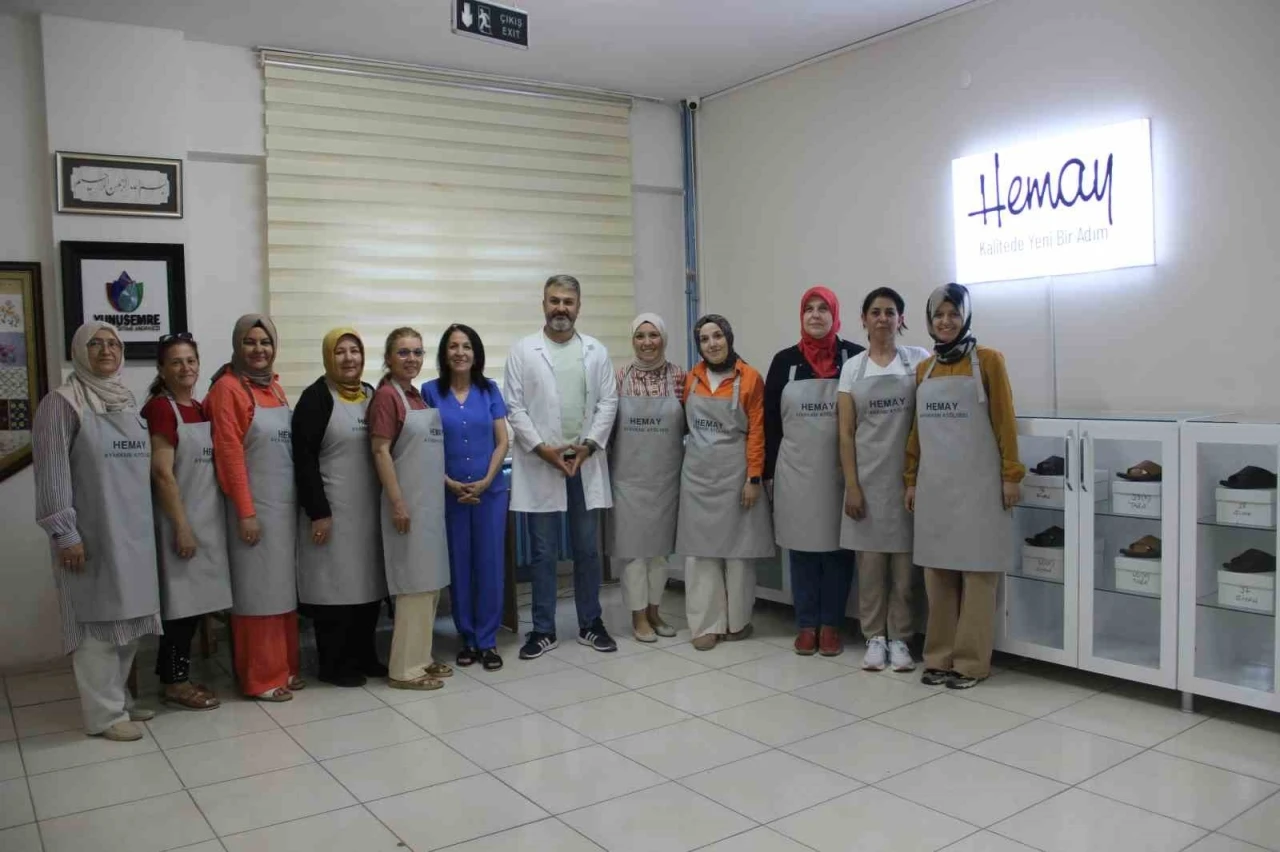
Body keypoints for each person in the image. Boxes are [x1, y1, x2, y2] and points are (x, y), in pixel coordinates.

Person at [32, 322, 161, 740]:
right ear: (78, 351)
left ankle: (118, 700)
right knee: (96, 627)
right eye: (96, 344)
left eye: (113, 344)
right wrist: (65, 533)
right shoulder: (60, 404)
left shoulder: (127, 401)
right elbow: (52, 473)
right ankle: (103, 716)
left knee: (128, 623)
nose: (106, 350)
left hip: (133, 533)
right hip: (90, 535)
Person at [905, 283, 1024, 689]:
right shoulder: (924, 370)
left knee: (977, 573)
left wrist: (1011, 475)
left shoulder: (989, 361)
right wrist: (910, 479)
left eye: (953, 313)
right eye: (938, 315)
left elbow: (1005, 421)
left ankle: (971, 663)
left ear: (966, 317)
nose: (946, 321)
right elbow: (916, 432)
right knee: (937, 574)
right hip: (935, 487)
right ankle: (938, 657)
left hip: (979, 487)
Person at [504, 274, 619, 660]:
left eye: (568, 302)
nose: (561, 308)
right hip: (542, 462)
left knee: (587, 549)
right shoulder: (523, 351)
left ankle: (590, 623)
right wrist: (543, 450)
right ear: (543, 304)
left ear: (578, 307)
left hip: (584, 461)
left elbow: (608, 402)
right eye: (554, 301)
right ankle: (543, 629)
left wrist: (588, 447)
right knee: (543, 552)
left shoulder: (596, 352)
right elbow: (514, 407)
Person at [205, 314, 302, 702]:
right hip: (252, 510)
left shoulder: (275, 388)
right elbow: (229, 455)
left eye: (265, 342)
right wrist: (246, 512)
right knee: (257, 595)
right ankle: (261, 677)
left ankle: (285, 667)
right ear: (237, 345)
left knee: (282, 592)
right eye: (250, 342)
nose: (258, 349)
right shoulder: (227, 389)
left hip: (282, 509)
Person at [765, 287, 864, 657]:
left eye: (824, 309)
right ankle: (806, 625)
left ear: (835, 315)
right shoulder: (784, 362)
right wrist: (768, 474)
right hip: (796, 473)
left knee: (839, 551)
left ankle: (832, 625)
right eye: (809, 308)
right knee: (802, 550)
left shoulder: (855, 358)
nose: (816, 315)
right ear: (801, 315)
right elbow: (771, 423)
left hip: (841, 474)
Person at [838, 288, 932, 672]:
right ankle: (874, 637)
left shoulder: (919, 361)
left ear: (900, 319)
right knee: (871, 568)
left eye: (890, 312)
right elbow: (845, 433)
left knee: (906, 571)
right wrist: (852, 485)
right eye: (875, 312)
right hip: (867, 481)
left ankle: (901, 639)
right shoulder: (852, 369)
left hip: (908, 481)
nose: (882, 318)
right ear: (863, 319)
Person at [142, 332, 233, 710]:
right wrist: (181, 526)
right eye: (176, 362)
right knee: (180, 609)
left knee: (195, 607)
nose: (185, 368)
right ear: (162, 369)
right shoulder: (161, 410)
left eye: (191, 361)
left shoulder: (198, 407)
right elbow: (162, 473)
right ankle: (175, 683)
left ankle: (176, 675)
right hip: (178, 522)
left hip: (206, 520)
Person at [292, 328, 388, 687]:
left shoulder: (372, 394)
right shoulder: (315, 398)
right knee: (335, 589)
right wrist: (318, 512)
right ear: (328, 357)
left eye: (355, 351)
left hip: (368, 511)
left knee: (368, 586)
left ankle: (365, 655)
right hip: (332, 513)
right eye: (340, 352)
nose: (349, 358)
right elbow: (303, 461)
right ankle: (333, 664)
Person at [676, 314, 773, 651]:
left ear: (728, 338)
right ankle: (706, 624)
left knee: (738, 555)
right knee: (700, 555)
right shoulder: (691, 379)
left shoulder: (750, 378)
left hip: (736, 477)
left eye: (717, 336)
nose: (712, 343)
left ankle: (737, 622)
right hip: (697, 479)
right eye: (704, 339)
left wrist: (753, 477)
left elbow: (757, 432)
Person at [369, 327, 455, 689]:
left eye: (417, 352)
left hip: (429, 508)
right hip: (406, 508)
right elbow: (380, 451)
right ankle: (404, 669)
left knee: (429, 587)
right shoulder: (387, 397)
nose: (412, 359)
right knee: (412, 588)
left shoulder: (415, 397)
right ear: (388, 358)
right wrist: (398, 503)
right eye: (403, 352)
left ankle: (422, 657)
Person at [424, 324, 510, 672]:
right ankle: (468, 638)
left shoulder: (490, 390)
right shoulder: (430, 392)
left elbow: (502, 441)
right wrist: (448, 482)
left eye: (467, 346)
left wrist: (487, 480)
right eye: (453, 346)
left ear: (476, 354)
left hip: (490, 494)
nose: (460, 352)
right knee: (459, 566)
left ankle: (488, 640)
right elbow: (424, 444)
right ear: (444, 353)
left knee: (490, 565)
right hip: (450, 494)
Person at [608, 313, 686, 642]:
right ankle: (638, 617)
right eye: (640, 336)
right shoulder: (619, 377)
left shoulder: (680, 377)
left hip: (666, 479)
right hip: (628, 480)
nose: (647, 342)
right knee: (634, 553)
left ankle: (655, 612)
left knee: (659, 553)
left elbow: (691, 425)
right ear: (633, 341)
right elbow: (608, 429)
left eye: (653, 335)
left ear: (663, 339)